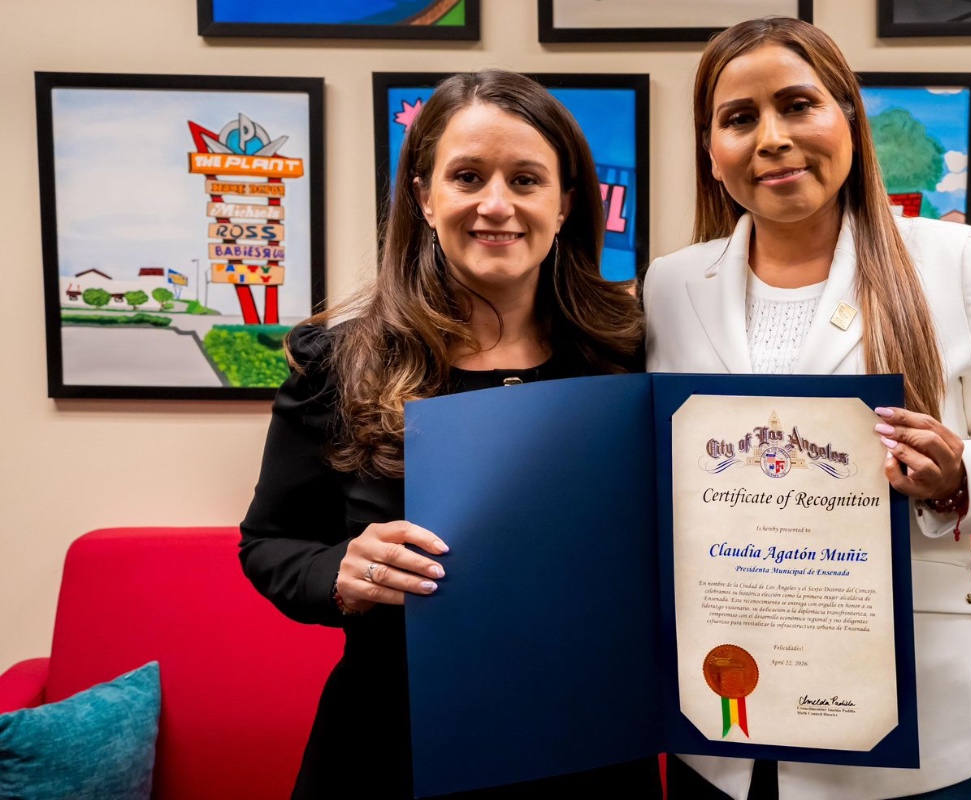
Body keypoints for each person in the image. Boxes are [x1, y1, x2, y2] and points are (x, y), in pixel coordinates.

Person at [642, 17, 971, 800]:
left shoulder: (956, 261)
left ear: (848, 117)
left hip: (916, 731)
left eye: (798, 104)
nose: (772, 138)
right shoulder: (672, 284)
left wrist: (956, 476)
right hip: (726, 735)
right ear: (711, 151)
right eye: (739, 118)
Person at [239, 69, 658, 799]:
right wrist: (342, 570)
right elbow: (268, 545)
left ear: (564, 206)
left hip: (589, 746)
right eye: (467, 176)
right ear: (424, 198)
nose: (496, 204)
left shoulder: (632, 357)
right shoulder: (339, 361)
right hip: (391, 749)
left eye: (526, 180)